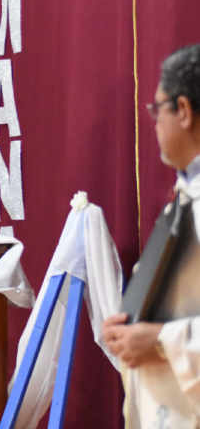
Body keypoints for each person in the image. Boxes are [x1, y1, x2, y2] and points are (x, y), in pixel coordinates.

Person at [102, 44, 200, 428]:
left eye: (157, 109)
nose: (154, 122)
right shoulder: (186, 194)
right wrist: (129, 328)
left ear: (186, 111)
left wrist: (160, 340)